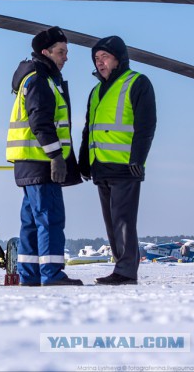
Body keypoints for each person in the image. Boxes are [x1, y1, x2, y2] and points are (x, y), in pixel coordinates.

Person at [6, 26, 83, 287]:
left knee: (30, 221)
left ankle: (30, 274)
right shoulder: (40, 79)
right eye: (61, 52)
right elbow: (40, 121)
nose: (65, 57)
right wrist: (56, 156)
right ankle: (52, 273)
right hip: (40, 162)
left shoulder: (32, 77)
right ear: (45, 52)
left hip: (27, 163)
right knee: (50, 218)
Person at [78, 36, 157, 286]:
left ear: (119, 59)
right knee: (112, 223)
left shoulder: (137, 83)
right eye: (96, 58)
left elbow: (146, 124)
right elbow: (88, 129)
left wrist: (138, 158)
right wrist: (83, 160)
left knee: (123, 220)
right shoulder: (95, 91)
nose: (100, 63)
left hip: (125, 165)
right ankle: (120, 266)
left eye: (105, 57)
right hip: (100, 164)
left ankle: (126, 271)